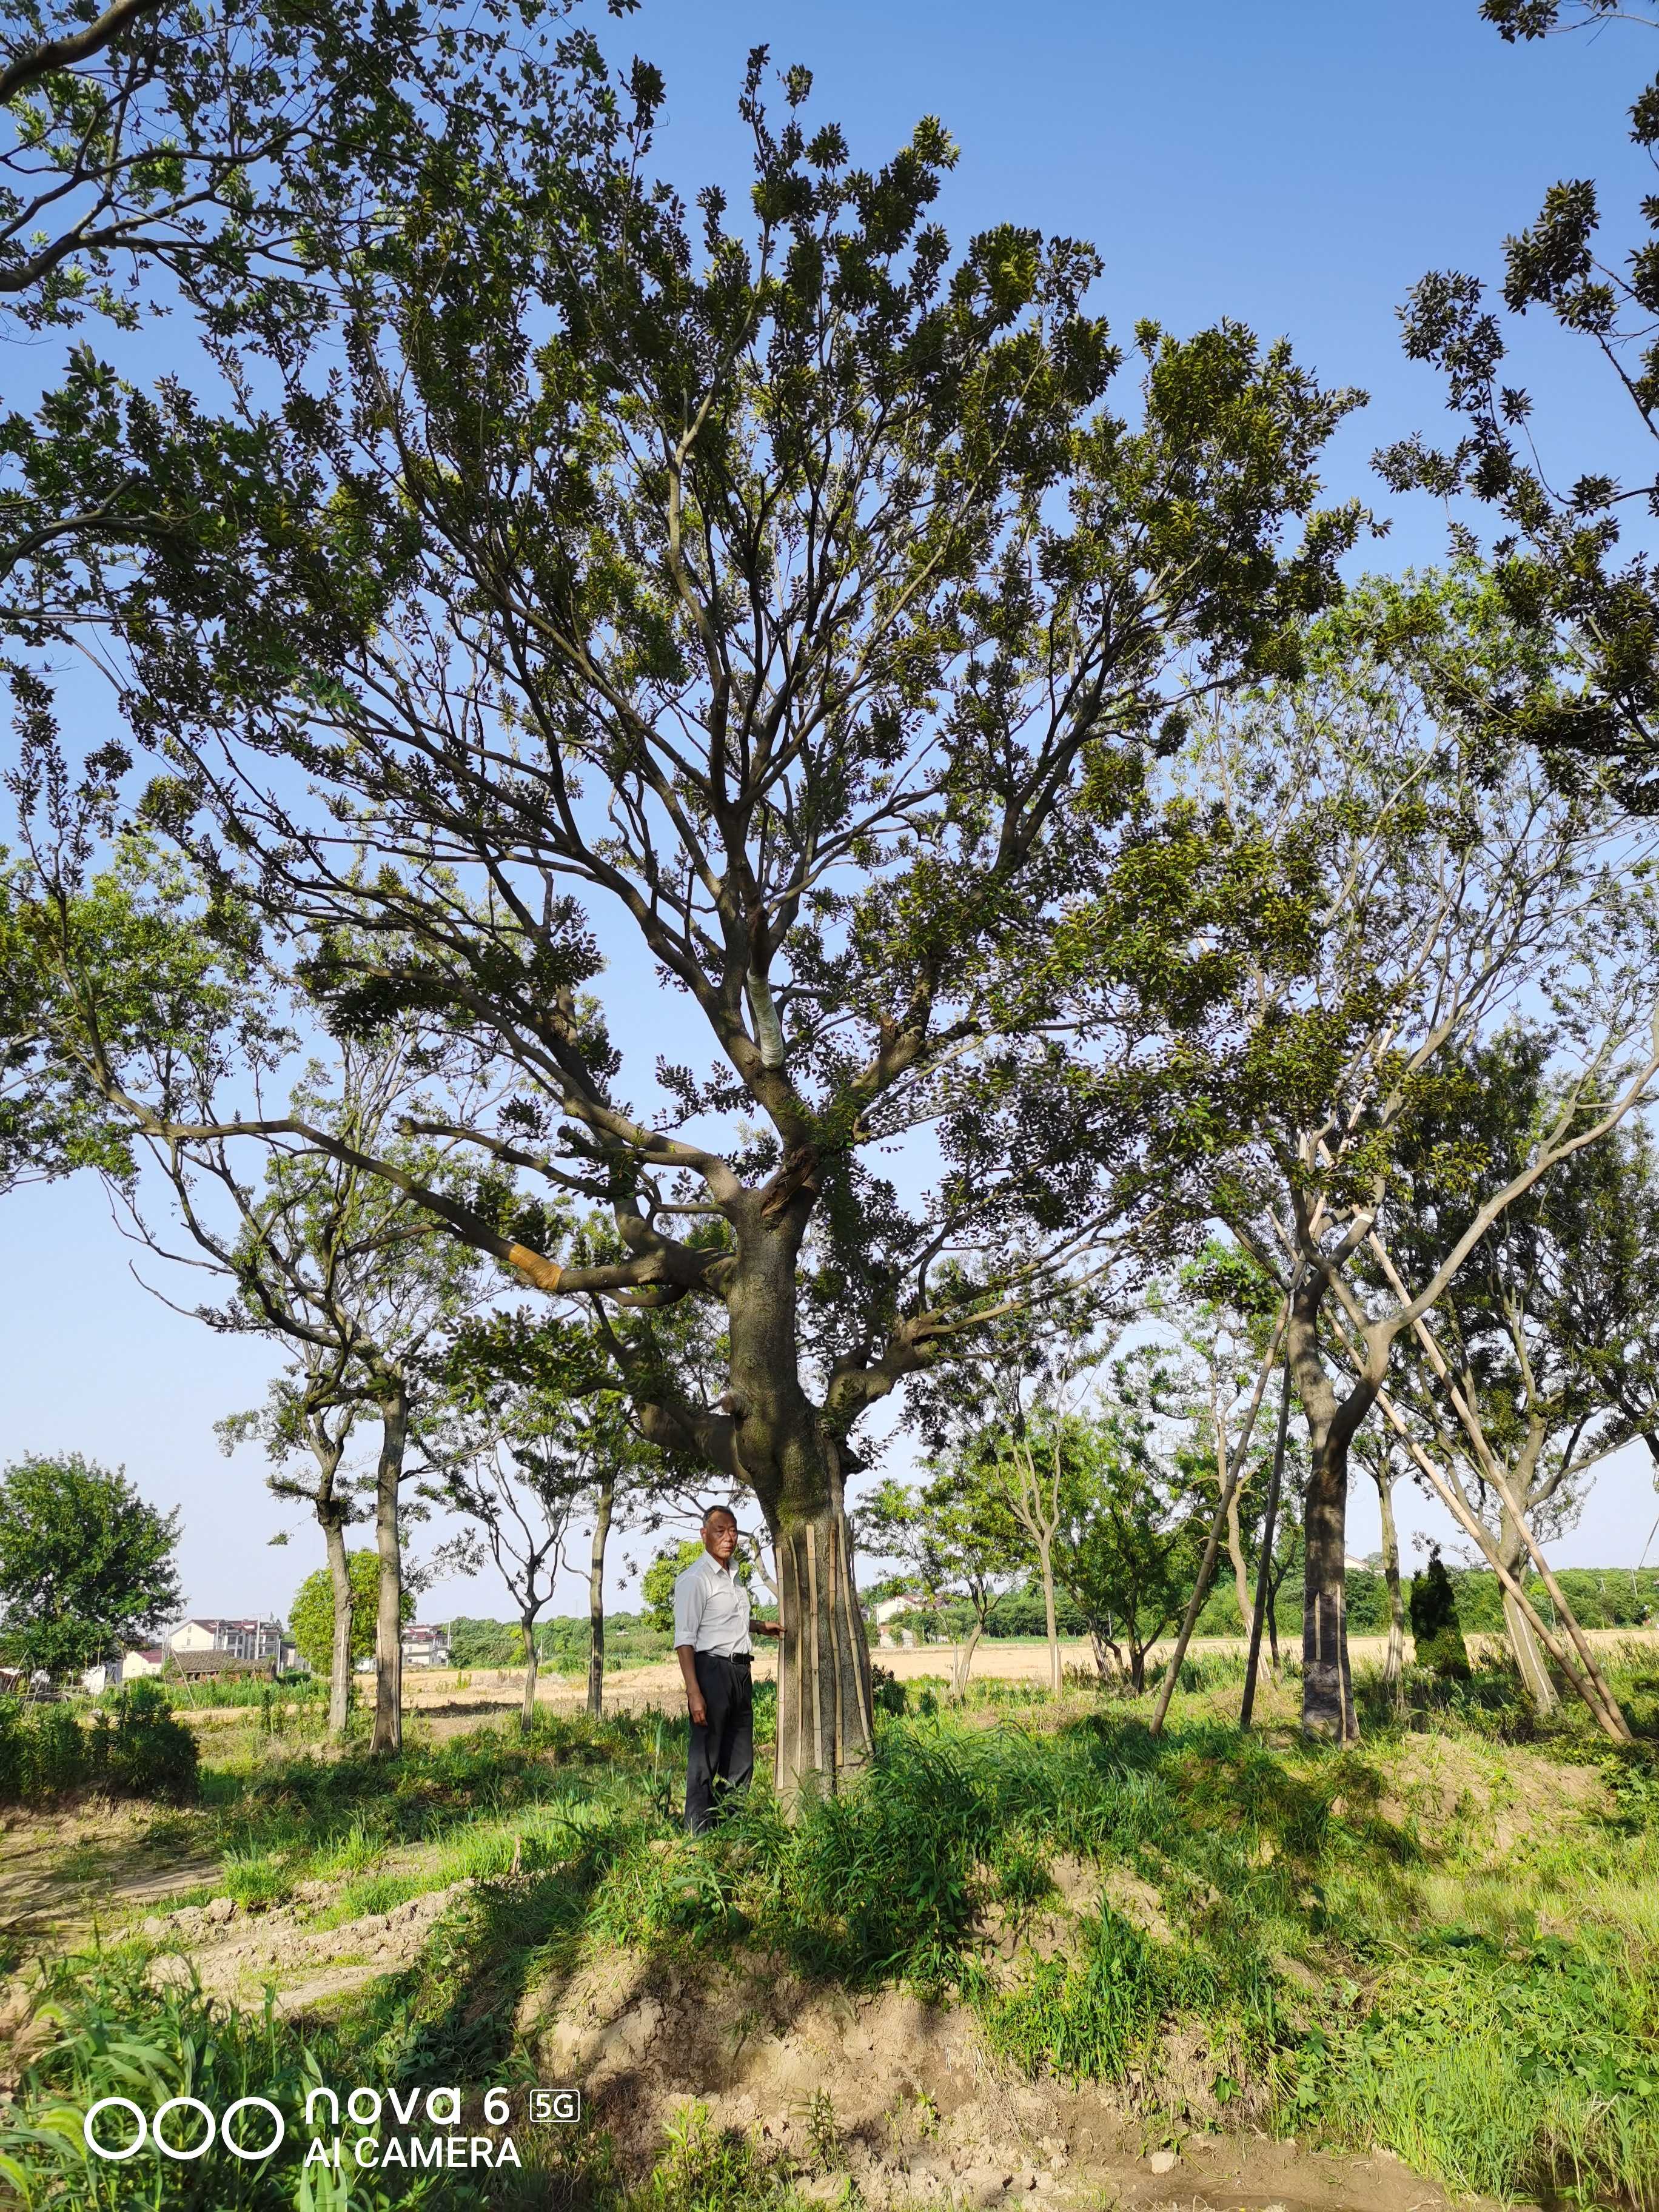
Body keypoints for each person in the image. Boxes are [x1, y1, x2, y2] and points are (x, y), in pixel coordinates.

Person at [673, 1504, 780, 1832]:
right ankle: (699, 1831)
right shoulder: (694, 1579)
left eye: (733, 1530)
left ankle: (731, 1825)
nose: (729, 1538)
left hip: (740, 1673)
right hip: (711, 1672)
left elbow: (724, 1622)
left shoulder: (734, 1576)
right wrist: (694, 1692)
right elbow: (686, 1639)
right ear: (704, 1535)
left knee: (741, 1756)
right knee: (705, 1755)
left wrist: (760, 1626)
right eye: (720, 1531)